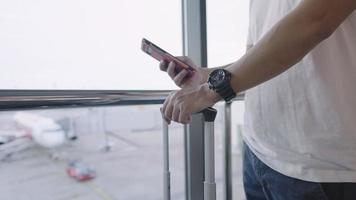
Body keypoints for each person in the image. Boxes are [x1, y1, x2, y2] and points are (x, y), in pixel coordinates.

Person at [159, 0, 356, 199]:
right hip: (260, 152)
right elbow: (259, 56)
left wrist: (209, 92)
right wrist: (206, 77)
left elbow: (316, 20)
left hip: (323, 168)